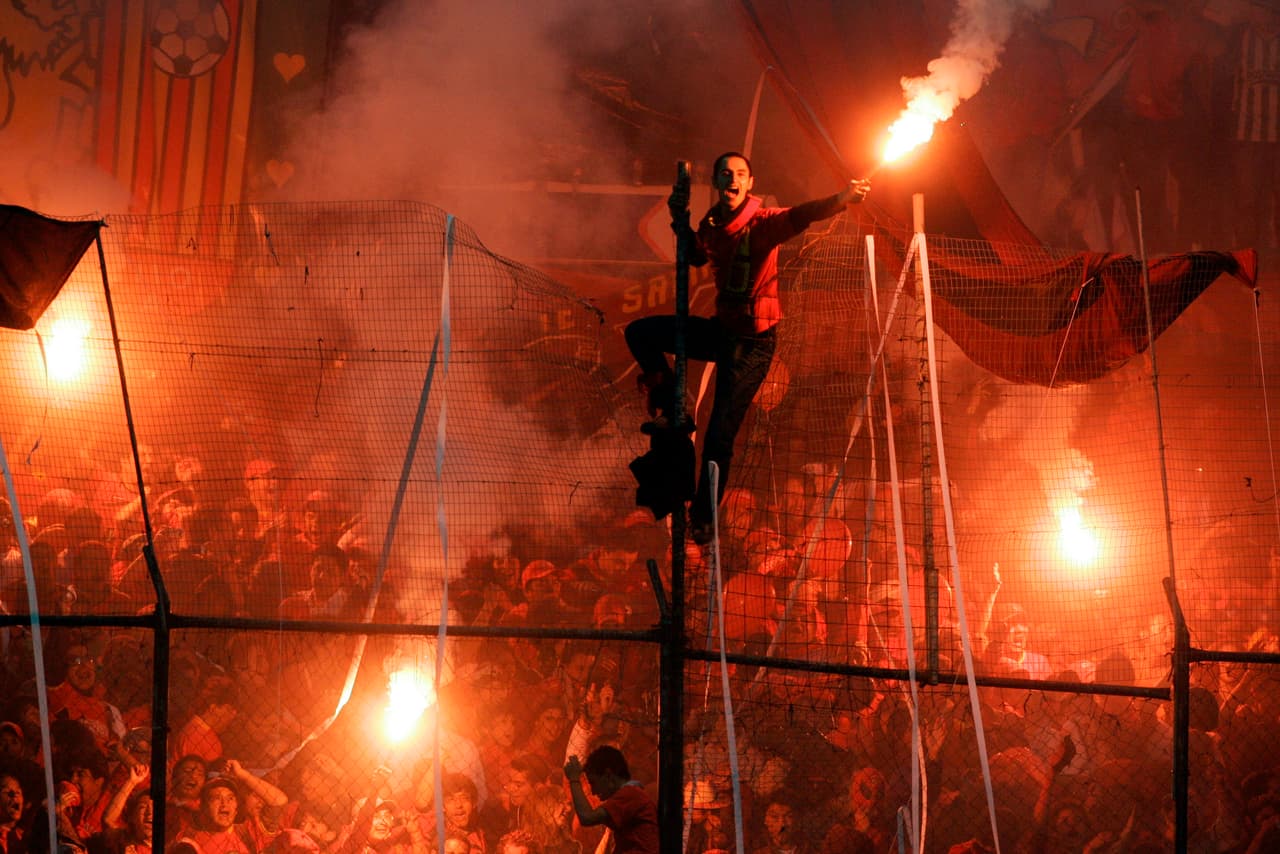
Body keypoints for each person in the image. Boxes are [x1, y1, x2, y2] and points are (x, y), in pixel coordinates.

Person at [625, 152, 870, 542]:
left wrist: (839, 199)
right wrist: (678, 219)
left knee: (719, 435)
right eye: (725, 173)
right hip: (722, 332)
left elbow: (803, 214)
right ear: (718, 183)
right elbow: (693, 255)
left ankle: (704, 519)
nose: (732, 180)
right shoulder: (711, 224)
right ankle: (672, 403)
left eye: (740, 174)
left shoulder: (763, 223)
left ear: (750, 184)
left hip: (753, 345)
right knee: (640, 332)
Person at [563, 746, 657, 854]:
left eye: (594, 782)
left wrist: (574, 779)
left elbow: (587, 817)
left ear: (608, 776)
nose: (593, 791)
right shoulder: (629, 794)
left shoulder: (629, 794)